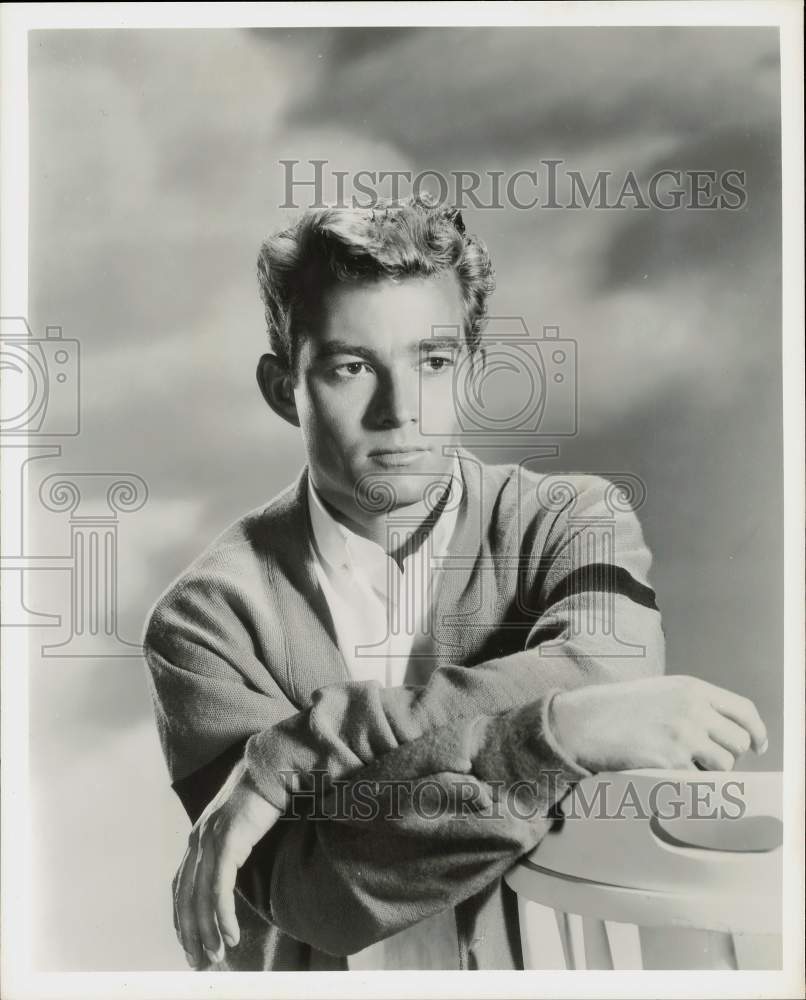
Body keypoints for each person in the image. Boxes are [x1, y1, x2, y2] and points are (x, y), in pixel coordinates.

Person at [142, 198, 768, 972]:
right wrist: (558, 736)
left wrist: (290, 758)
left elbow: (607, 674)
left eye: (432, 362)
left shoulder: (571, 519)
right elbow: (317, 895)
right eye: (351, 366)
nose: (400, 412)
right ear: (283, 389)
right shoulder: (204, 619)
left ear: (467, 369)